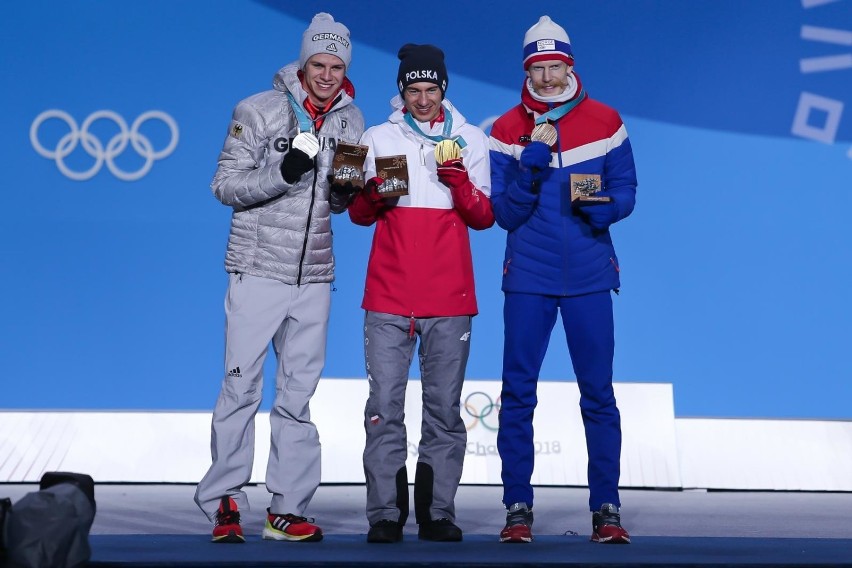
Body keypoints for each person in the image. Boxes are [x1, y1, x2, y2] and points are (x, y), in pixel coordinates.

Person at [193, 13, 364, 544]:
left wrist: (352, 187)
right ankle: (224, 501)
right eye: (319, 64)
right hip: (258, 270)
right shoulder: (259, 109)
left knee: (297, 396)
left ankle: (286, 508)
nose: (328, 75)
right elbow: (224, 186)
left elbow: (336, 201)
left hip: (314, 276)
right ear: (303, 62)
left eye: (337, 66)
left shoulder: (351, 121)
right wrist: (284, 172)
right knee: (240, 387)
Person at [489, 15, 637, 544]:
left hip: (591, 276)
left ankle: (607, 508)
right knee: (517, 394)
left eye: (555, 66)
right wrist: (529, 168)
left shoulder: (605, 120)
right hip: (529, 274)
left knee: (598, 393)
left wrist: (607, 209)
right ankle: (517, 508)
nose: (548, 77)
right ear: (526, 69)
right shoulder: (507, 128)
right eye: (539, 67)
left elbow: (627, 191)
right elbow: (503, 214)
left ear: (569, 65)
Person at [346, 44, 494, 543]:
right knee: (384, 408)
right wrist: (373, 194)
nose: (424, 99)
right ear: (402, 91)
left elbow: (482, 218)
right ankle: (386, 514)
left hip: (449, 299)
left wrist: (458, 182)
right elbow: (359, 215)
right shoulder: (377, 136)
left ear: (444, 89)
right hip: (388, 295)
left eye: (432, 89)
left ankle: (437, 514)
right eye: (414, 90)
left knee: (444, 411)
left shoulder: (471, 139)